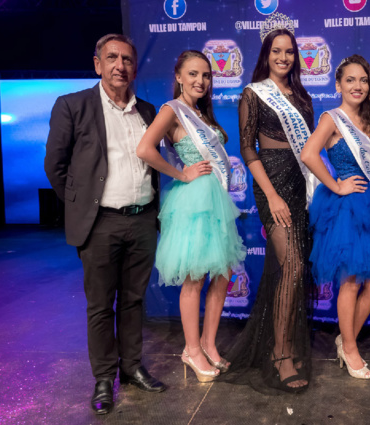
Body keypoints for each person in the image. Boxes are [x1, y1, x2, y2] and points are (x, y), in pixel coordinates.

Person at [44, 34, 165, 415]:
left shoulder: (147, 110)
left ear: (134, 66)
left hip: (142, 219)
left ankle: (131, 368)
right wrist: (84, 209)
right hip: (100, 224)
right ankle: (103, 378)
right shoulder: (72, 106)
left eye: (127, 59)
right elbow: (55, 166)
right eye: (111, 58)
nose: (120, 65)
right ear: (97, 63)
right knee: (100, 306)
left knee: (133, 301)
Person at [136, 50, 246, 383]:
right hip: (195, 202)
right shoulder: (173, 111)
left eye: (206, 75)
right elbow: (144, 149)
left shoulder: (201, 113)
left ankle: (209, 346)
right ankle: (192, 350)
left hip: (216, 202)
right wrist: (180, 174)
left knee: (223, 273)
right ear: (179, 77)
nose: (201, 81)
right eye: (193, 74)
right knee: (195, 277)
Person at [222, 13, 316, 394]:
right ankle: (280, 355)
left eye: (289, 51)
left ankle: (285, 344)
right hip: (271, 182)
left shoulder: (302, 96)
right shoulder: (253, 92)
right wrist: (272, 194)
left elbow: (309, 147)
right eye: (276, 51)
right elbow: (247, 148)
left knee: (289, 271)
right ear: (266, 54)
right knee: (291, 264)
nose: (284, 57)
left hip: (300, 182)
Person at [301, 55, 370, 380]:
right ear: (338, 84)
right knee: (352, 281)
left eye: (363, 80)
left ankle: (346, 339)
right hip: (346, 208)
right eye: (350, 80)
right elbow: (308, 154)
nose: (358, 86)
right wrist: (336, 186)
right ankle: (351, 348)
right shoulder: (332, 118)